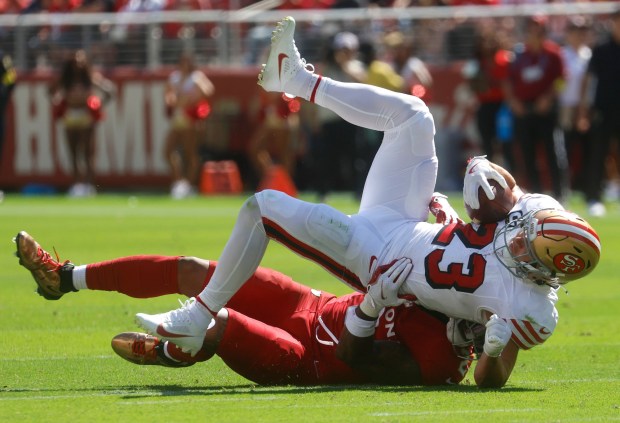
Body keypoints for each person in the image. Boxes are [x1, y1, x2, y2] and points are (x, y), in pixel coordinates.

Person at [136, 17, 601, 389]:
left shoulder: (531, 306)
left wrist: (495, 352)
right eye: (528, 229)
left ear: (546, 272)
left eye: (528, 246)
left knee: (262, 206)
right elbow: (486, 182)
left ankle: (199, 313)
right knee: (415, 117)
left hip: (380, 257)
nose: (518, 238)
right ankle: (297, 79)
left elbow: (488, 380)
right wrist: (462, 209)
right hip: (404, 217)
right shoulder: (530, 218)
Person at [14, 228, 476, 386]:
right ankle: (65, 279)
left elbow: (352, 355)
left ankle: (172, 351)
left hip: (307, 358)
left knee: (213, 323)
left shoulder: (440, 357)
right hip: (309, 303)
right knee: (198, 272)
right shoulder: (450, 280)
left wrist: (374, 304)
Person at [502, 15, 568, 202]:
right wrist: (513, 102)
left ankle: (560, 194)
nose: (535, 34)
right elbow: (508, 81)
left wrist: (549, 97)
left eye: (539, 30)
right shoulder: (518, 55)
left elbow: (562, 80)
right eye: (531, 30)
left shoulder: (554, 54)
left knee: (553, 152)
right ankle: (534, 196)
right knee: (526, 153)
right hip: (523, 109)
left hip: (546, 110)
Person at [49, 49, 113, 197]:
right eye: (76, 61)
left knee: (88, 152)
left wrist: (97, 104)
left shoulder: (89, 78)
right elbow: (51, 90)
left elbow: (109, 91)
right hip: (70, 116)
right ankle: (77, 184)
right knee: (73, 151)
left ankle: (89, 185)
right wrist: (59, 102)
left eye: (81, 61)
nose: (78, 64)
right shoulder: (66, 79)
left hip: (85, 116)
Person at [577, 8, 620, 218]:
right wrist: (584, 112)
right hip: (604, 110)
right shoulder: (602, 49)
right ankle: (594, 197)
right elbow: (588, 81)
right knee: (598, 154)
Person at [164, 52, 215, 199]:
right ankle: (179, 181)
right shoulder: (174, 77)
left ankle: (188, 184)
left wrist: (191, 99)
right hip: (178, 119)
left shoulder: (196, 77)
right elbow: (168, 94)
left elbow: (208, 90)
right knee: (168, 151)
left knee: (190, 152)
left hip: (190, 120)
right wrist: (172, 100)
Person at [559, 17, 592, 196]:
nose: (580, 35)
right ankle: (566, 186)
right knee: (565, 149)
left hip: (584, 108)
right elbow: (558, 83)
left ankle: (585, 185)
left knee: (588, 148)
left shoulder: (589, 54)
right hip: (565, 107)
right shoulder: (562, 54)